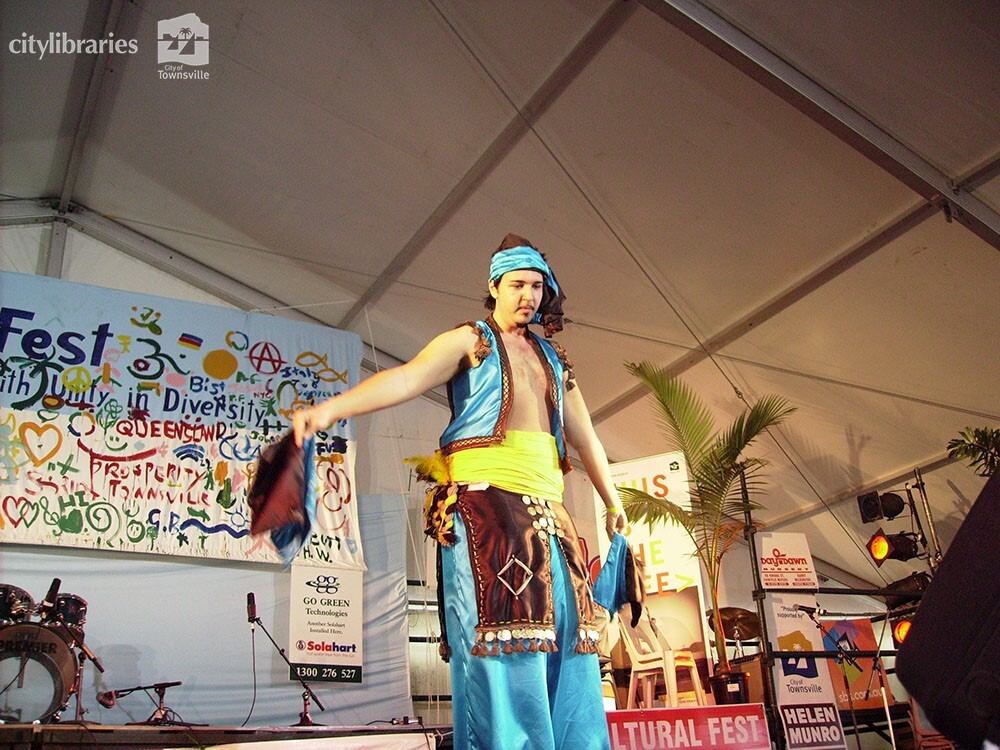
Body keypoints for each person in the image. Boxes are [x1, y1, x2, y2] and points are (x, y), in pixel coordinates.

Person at [294, 234, 627, 750]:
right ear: (493, 287)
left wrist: (611, 499)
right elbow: (405, 379)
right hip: (489, 509)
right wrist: (329, 410)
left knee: (573, 641)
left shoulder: (554, 359)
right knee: (506, 646)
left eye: (537, 286)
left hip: (551, 514)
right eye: (517, 285)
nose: (529, 296)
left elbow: (584, 436)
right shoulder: (469, 341)